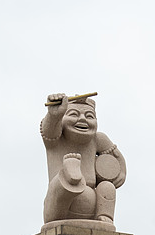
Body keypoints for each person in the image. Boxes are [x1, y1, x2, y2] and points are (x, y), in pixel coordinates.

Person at [40, 93, 126, 227]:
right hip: (59, 205)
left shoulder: (98, 139)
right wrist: (54, 115)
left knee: (107, 186)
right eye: (74, 114)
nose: (82, 119)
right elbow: (48, 131)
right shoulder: (57, 138)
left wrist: (115, 173)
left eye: (89, 116)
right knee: (64, 179)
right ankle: (70, 174)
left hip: (91, 207)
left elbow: (117, 162)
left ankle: (105, 217)